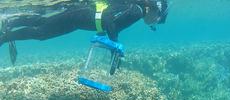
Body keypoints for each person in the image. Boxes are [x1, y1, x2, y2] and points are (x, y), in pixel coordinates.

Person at [0, 0, 168, 45]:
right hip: (79, 18)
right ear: (155, 11)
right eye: (158, 20)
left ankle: (10, 22)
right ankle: (5, 36)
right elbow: (110, 22)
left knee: (42, 24)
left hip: (80, 17)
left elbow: (110, 19)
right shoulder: (137, 11)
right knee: (41, 32)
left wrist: (108, 35)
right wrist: (114, 44)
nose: (154, 22)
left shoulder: (134, 8)